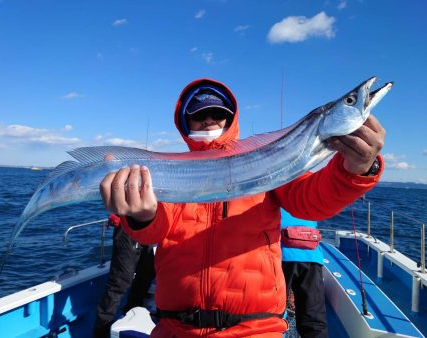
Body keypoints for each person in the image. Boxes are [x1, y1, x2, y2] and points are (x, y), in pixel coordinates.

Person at [99, 78, 385, 337]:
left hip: (256, 328)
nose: (209, 120)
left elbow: (311, 200)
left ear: (230, 118)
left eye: (218, 113)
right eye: (198, 114)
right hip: (175, 327)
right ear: (185, 122)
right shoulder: (170, 172)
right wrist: (141, 215)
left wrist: (357, 170)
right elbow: (154, 232)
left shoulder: (266, 159)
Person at [93, 213, 155, 338]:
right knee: (119, 284)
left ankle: (130, 318)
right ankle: (101, 333)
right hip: (128, 225)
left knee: (146, 276)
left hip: (151, 225)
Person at [280, 209, 327, 338]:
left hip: (281, 254)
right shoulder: (306, 197)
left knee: (274, 313)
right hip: (312, 255)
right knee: (314, 321)